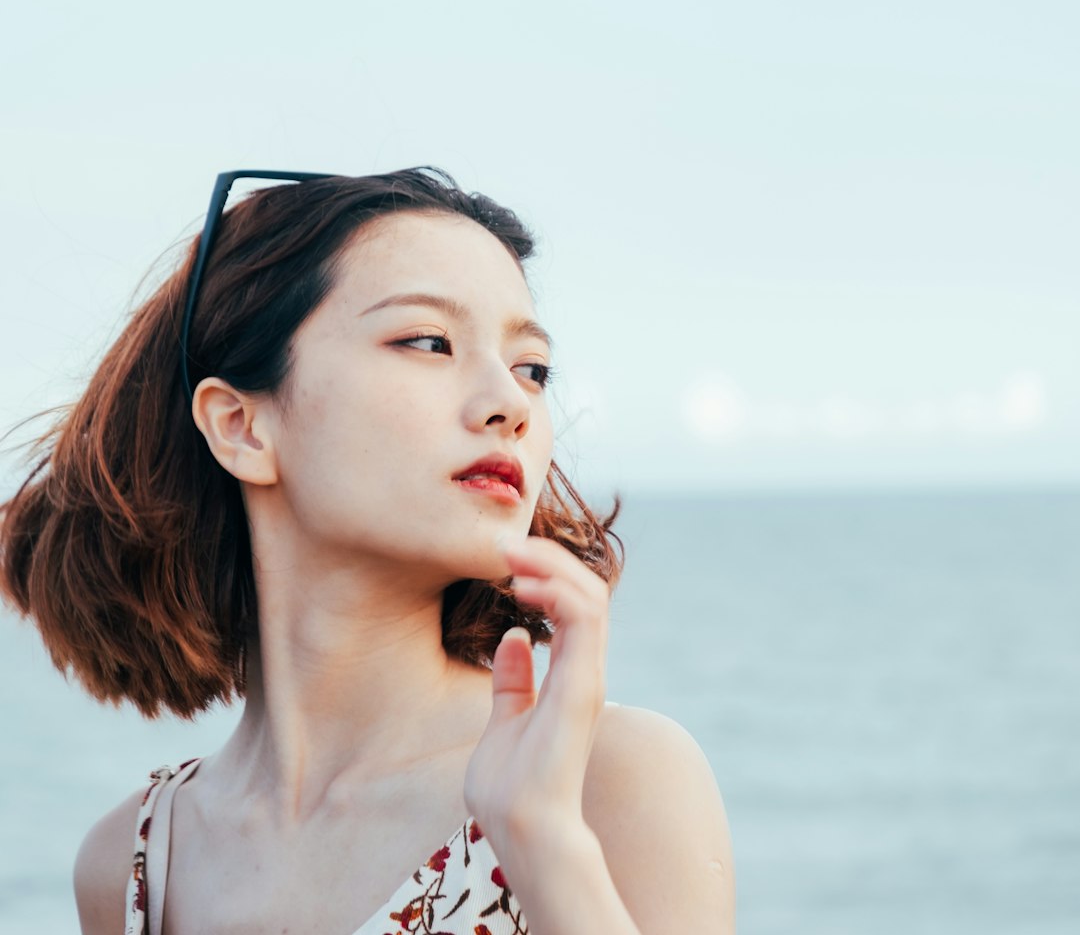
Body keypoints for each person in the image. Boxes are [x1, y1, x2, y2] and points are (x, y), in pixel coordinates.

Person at [0, 168, 735, 934]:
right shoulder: (134, 864)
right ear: (241, 427)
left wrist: (544, 843)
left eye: (532, 368)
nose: (511, 403)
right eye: (428, 341)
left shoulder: (614, 780)